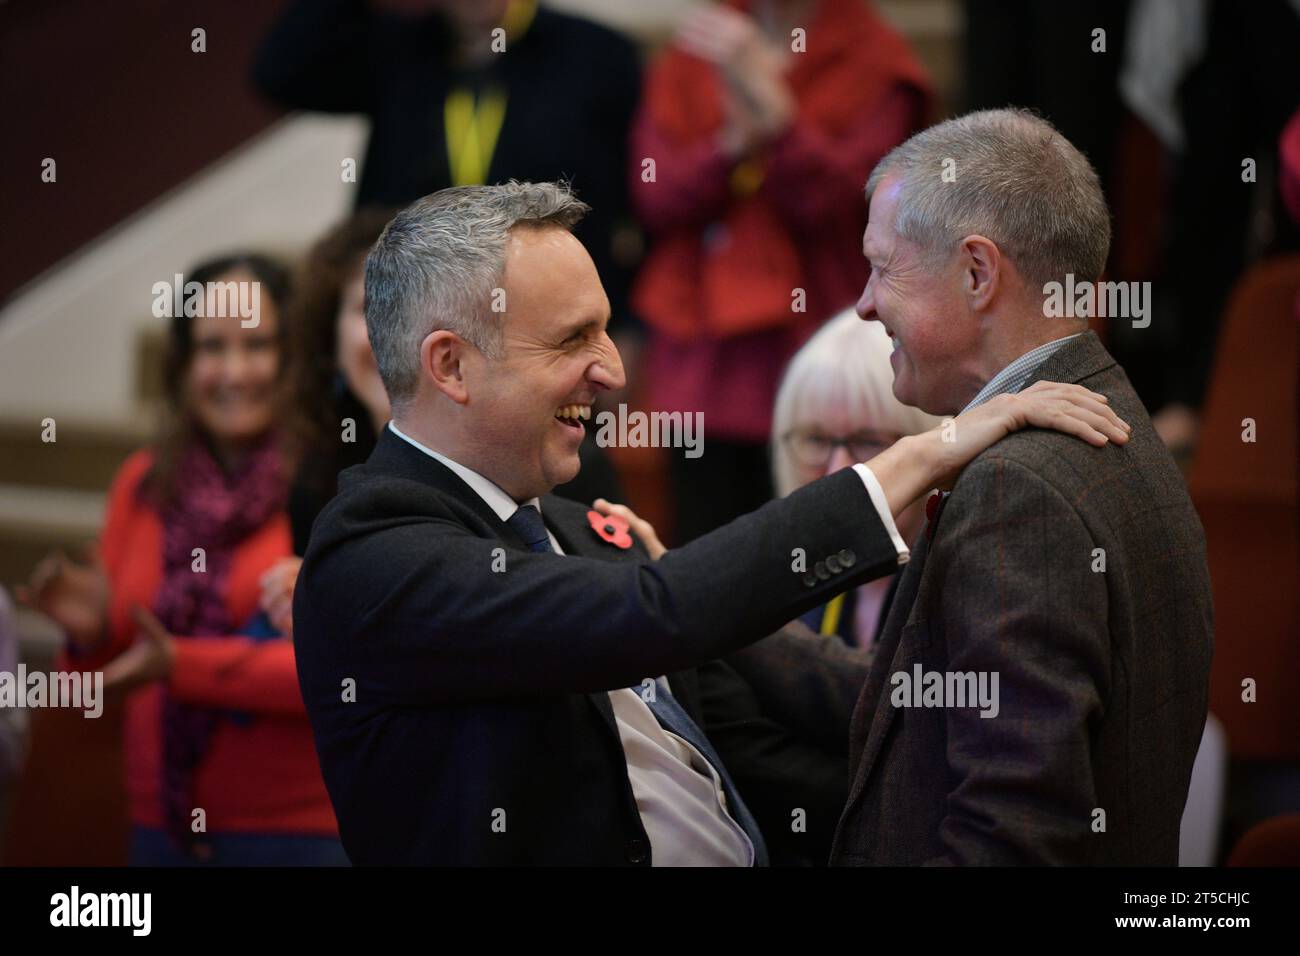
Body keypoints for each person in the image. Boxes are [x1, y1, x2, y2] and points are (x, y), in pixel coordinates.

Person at [292, 180, 1130, 866]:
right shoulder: (373, 555)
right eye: (571, 339)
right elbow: (659, 614)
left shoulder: (583, 532)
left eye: (606, 330)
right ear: (451, 366)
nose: (613, 371)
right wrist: (925, 452)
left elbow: (760, 752)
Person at [829, 109, 1214, 866]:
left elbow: (1014, 839)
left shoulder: (1019, 489)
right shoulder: (1113, 418)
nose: (864, 304)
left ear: (977, 272)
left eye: (883, 267)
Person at [18, 254, 345, 866]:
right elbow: (101, 687)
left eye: (257, 345)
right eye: (211, 347)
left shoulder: (330, 479)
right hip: (159, 826)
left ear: (293, 357)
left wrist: (178, 664)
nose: (233, 371)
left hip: (299, 832)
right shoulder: (142, 484)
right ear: (181, 363)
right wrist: (89, 639)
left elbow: (339, 669)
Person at [631, 0, 932, 542]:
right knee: (707, 549)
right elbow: (656, 194)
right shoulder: (699, 46)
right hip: (703, 354)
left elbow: (854, 201)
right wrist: (735, 145)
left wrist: (779, 121)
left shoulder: (873, 56)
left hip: (819, 336)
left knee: (818, 546)